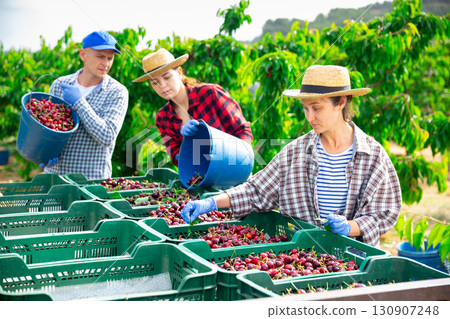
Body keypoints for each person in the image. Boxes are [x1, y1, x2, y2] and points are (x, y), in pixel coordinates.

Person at [180, 65, 402, 247]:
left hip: (355, 260)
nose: (309, 117)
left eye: (316, 108)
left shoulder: (372, 156)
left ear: (341, 102)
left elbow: (385, 213)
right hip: (305, 257)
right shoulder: (296, 152)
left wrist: (351, 227)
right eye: (305, 109)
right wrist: (211, 202)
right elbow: (256, 190)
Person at [133, 48, 252, 166]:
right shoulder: (163, 117)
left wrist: (239, 160)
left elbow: (243, 130)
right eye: (155, 82)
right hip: (203, 178)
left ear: (179, 73)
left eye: (167, 77)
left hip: (235, 169)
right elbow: (176, 158)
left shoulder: (210, 93)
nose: (162, 85)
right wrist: (186, 145)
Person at [43, 31, 129, 179]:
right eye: (100, 56)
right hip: (55, 179)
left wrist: (79, 103)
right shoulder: (60, 85)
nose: (106, 63)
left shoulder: (116, 92)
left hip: (91, 184)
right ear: (83, 54)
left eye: (110, 58)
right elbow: (48, 128)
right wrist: (43, 152)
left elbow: (107, 136)